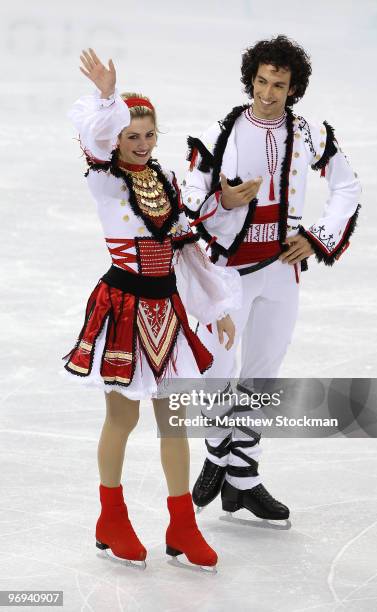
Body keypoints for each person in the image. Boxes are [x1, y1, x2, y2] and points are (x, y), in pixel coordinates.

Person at [64, 48, 241, 569]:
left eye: (147, 135)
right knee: (123, 417)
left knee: (175, 421)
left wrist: (219, 307)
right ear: (115, 138)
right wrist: (107, 98)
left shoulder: (160, 181)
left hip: (167, 309)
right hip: (123, 306)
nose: (140, 145)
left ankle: (182, 525)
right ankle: (110, 517)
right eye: (130, 136)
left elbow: (186, 246)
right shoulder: (105, 178)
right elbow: (93, 139)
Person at [181, 35, 361, 521]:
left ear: (293, 86)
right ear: (250, 79)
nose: (267, 92)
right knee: (216, 369)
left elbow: (347, 187)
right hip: (228, 273)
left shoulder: (311, 134)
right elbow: (191, 194)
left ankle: (244, 475)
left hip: (282, 272)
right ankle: (219, 452)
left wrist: (318, 236)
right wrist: (225, 201)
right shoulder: (222, 131)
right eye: (261, 81)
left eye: (278, 84)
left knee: (262, 371)